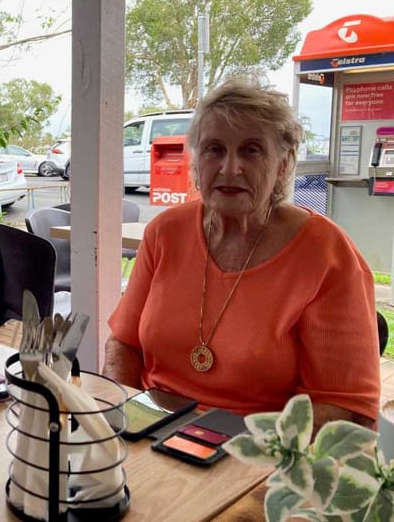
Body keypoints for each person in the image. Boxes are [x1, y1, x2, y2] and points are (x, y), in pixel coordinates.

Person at [103, 78, 379, 431]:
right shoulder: (165, 232)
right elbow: (123, 345)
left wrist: (250, 459)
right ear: (196, 160)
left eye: (251, 150)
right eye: (214, 149)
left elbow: (344, 404)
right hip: (156, 431)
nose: (230, 168)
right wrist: (122, 422)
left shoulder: (326, 254)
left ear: (283, 164)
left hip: (261, 451)